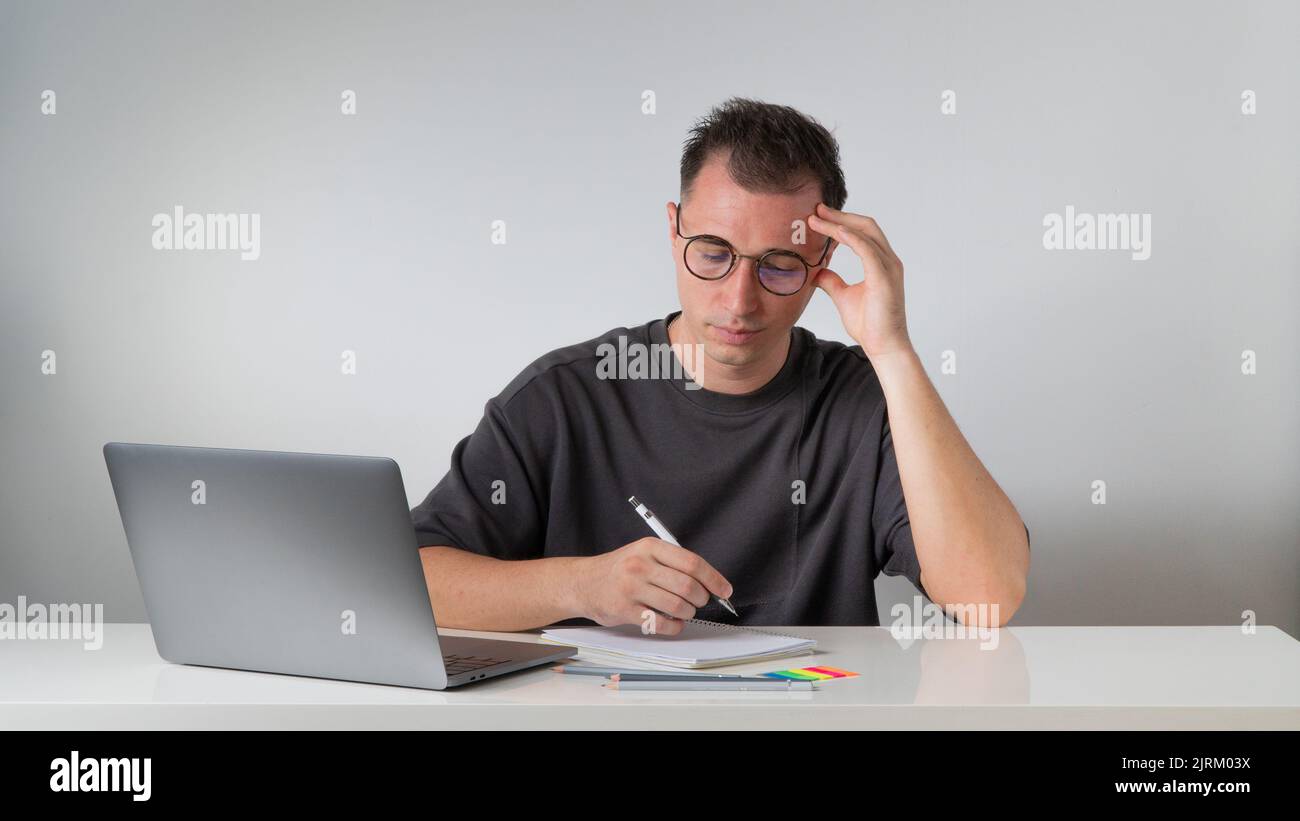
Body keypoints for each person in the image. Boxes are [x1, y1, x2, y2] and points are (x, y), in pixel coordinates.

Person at [412, 97, 1030, 633]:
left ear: (824, 263)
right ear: (674, 230)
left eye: (780, 265)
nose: (740, 300)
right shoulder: (564, 397)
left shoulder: (869, 402)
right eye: (713, 253)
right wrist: (580, 587)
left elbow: (987, 600)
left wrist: (893, 350)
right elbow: (414, 576)